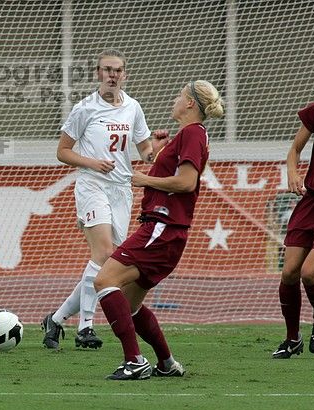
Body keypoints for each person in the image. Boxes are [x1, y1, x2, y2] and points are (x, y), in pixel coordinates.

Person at [93, 80, 224, 380]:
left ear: (191, 103)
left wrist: (144, 179)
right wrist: (160, 151)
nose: (175, 99)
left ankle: (135, 361)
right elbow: (177, 170)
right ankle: (166, 363)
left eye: (180, 95)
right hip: (165, 231)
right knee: (129, 305)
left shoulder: (192, 133)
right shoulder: (191, 135)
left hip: (162, 228)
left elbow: (187, 183)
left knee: (104, 281)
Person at [41, 50, 156, 350]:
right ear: (98, 73)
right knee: (105, 252)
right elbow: (62, 151)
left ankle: (56, 318)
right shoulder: (84, 108)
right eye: (107, 70)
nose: (112, 75)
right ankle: (86, 326)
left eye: (118, 70)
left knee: (107, 262)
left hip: (121, 191)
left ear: (125, 74)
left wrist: (154, 150)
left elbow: (144, 148)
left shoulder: (133, 107)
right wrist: (92, 163)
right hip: (92, 185)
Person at [272, 100, 314, 358]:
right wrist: (292, 173)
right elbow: (295, 148)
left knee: (309, 273)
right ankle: (293, 339)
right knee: (289, 273)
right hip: (311, 201)